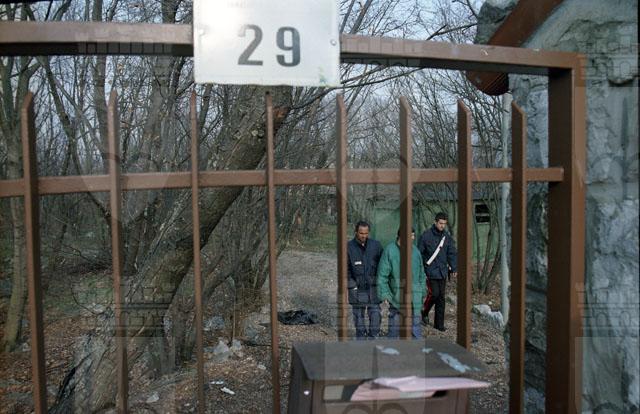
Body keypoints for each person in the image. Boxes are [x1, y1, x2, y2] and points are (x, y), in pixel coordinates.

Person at [376, 228, 426, 339]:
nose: (413, 238)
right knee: (394, 331)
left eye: (413, 235)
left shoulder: (415, 251)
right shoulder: (390, 251)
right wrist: (386, 295)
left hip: (414, 298)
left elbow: (421, 273)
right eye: (410, 235)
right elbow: (382, 276)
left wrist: (422, 290)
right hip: (397, 298)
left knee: (415, 331)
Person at [418, 212, 457, 332]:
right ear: (435, 222)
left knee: (441, 298)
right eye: (440, 223)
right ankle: (424, 311)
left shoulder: (447, 237)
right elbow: (419, 253)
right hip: (430, 270)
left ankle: (439, 325)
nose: (442, 226)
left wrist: (454, 267)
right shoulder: (426, 236)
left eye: (444, 224)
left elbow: (451, 253)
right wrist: (422, 267)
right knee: (434, 294)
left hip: (442, 271)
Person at [347, 221, 384, 339]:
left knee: (375, 314)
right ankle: (361, 336)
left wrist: (381, 282)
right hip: (357, 287)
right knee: (358, 315)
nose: (364, 236)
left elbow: (383, 265)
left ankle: (374, 335)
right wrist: (352, 285)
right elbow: (345, 269)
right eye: (361, 233)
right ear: (356, 232)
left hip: (373, 287)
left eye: (366, 233)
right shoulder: (348, 247)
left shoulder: (376, 246)